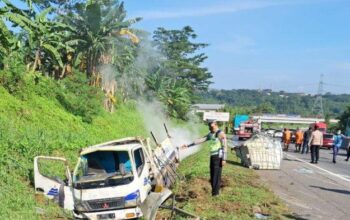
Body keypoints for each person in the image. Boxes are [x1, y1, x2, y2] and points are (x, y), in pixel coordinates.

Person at [183, 120, 227, 196]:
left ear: (216, 125)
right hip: (212, 157)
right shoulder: (210, 134)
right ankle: (214, 192)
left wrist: (224, 159)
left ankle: (215, 193)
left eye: (212, 127)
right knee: (212, 174)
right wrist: (188, 145)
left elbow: (225, 146)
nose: (210, 128)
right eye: (209, 127)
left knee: (216, 175)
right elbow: (200, 140)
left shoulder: (220, 134)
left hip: (218, 157)